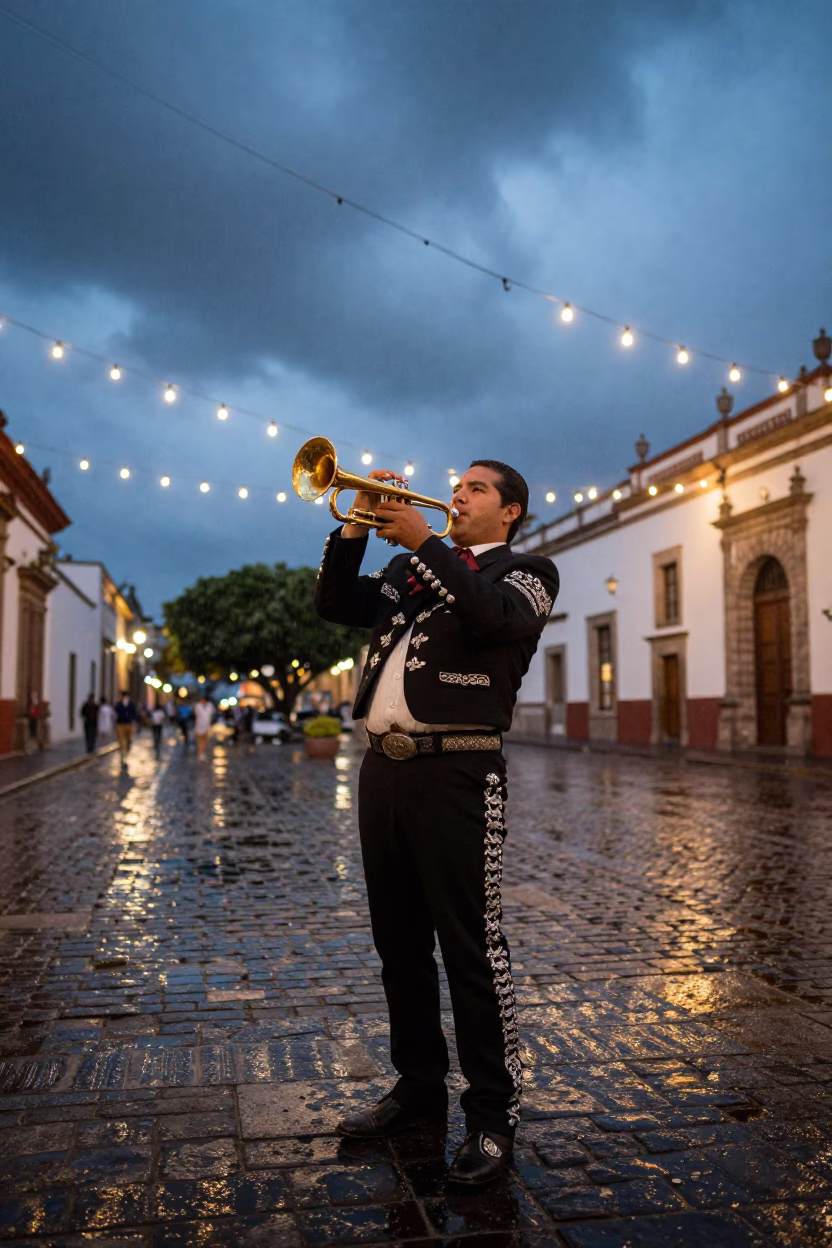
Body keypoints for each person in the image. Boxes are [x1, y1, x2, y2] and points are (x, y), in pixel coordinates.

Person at [314, 459, 559, 1186]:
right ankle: (418, 1089)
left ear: (510, 511)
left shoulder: (528, 571)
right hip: (383, 770)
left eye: (477, 488)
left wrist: (426, 541)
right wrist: (358, 522)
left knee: (471, 946)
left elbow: (489, 616)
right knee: (399, 943)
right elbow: (334, 602)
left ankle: (492, 1114)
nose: (458, 493)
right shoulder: (409, 569)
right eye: (458, 484)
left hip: (459, 769)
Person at [114, 690, 138, 766]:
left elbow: (134, 714)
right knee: (122, 741)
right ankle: (122, 756)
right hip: (121, 724)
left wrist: (134, 722)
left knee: (128, 741)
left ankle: (125, 754)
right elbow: (116, 713)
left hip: (129, 724)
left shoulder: (131, 705)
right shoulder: (119, 704)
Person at [193, 694, 214, 762]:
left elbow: (211, 714)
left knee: (205, 741)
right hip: (199, 726)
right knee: (200, 741)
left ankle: (202, 752)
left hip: (206, 726)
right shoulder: (198, 706)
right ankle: (200, 753)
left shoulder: (209, 706)